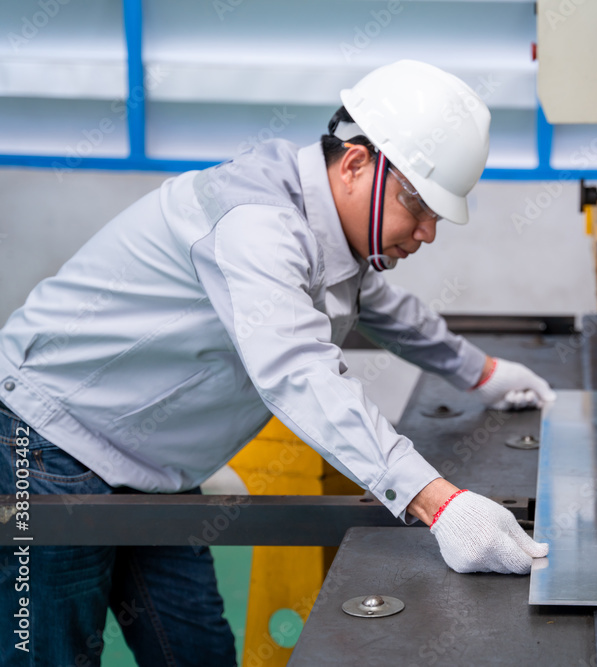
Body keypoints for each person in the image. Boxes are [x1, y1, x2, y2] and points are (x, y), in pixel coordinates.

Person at [0, 60, 555, 666]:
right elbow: (295, 369)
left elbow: (387, 310)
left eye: (436, 217)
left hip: (158, 466)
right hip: (51, 441)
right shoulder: (255, 221)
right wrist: (434, 500)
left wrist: (483, 373)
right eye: (417, 205)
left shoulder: (334, 234)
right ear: (355, 164)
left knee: (196, 652)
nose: (426, 232)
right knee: (50, 651)